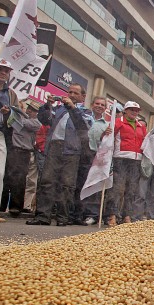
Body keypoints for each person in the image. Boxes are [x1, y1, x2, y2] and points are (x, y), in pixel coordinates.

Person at [27, 84, 93, 226]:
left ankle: (63, 217)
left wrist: (72, 108)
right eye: (69, 92)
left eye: (75, 93)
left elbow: (83, 126)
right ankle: (43, 216)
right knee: (47, 181)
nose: (71, 95)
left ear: (82, 97)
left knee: (67, 184)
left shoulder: (86, 112)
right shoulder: (58, 109)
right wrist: (47, 105)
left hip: (72, 150)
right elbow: (45, 119)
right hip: (54, 147)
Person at [105, 101, 147, 225]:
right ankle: (112, 215)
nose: (134, 112)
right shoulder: (118, 122)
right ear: (125, 110)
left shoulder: (141, 126)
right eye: (131, 109)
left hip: (136, 160)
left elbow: (145, 143)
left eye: (136, 110)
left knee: (132, 190)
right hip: (121, 159)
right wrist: (106, 133)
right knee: (117, 188)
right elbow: (107, 138)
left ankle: (126, 215)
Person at [1, 101, 41, 217]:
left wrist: (14, 114)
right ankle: (1, 205)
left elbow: (19, 122)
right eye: (29, 108)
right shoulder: (20, 118)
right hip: (11, 149)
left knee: (19, 180)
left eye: (33, 110)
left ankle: (16, 207)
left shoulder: (36, 122)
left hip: (23, 152)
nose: (29, 111)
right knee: (5, 178)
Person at [0, 58, 19, 223]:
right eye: (0, 69)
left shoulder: (11, 94)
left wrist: (9, 114)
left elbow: (17, 119)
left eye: (6, 70)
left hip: (0, 133)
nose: (3, 73)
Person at [81, 96, 111, 225]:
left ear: (105, 108)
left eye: (102, 105)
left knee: (94, 184)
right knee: (79, 184)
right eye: (97, 103)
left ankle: (92, 214)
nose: (99, 106)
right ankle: (76, 213)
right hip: (80, 154)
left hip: (97, 156)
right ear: (92, 104)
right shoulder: (83, 117)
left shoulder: (107, 125)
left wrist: (105, 135)